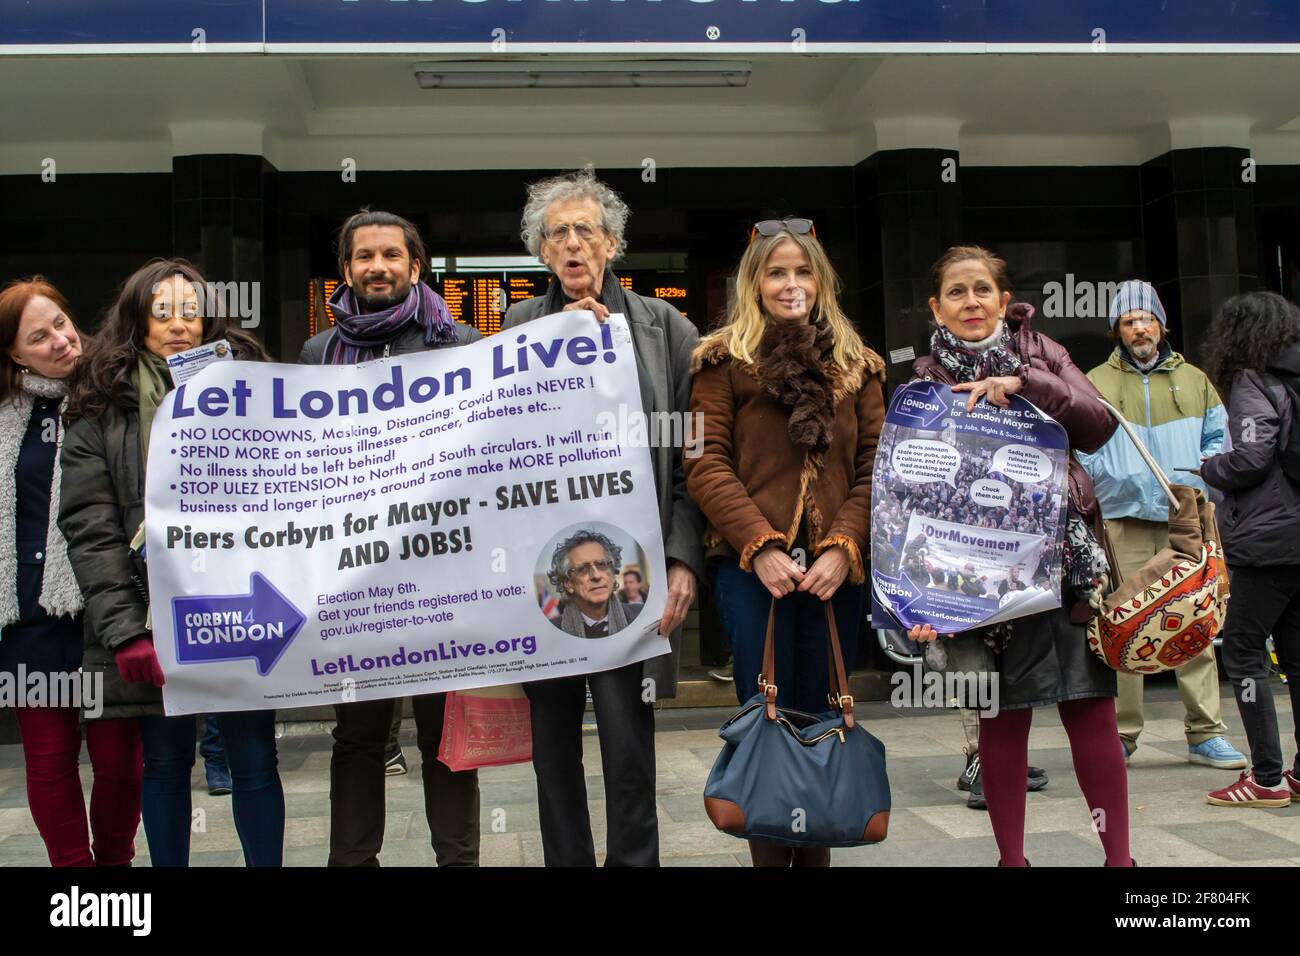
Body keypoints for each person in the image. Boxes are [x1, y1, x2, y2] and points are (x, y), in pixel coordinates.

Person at [503, 168, 704, 867]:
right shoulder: (517, 327)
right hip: (548, 577)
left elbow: (693, 455)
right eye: (555, 233)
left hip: (630, 576)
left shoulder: (663, 326)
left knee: (628, 749)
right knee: (552, 754)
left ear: (612, 242)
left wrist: (681, 559)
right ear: (541, 252)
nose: (571, 243)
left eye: (585, 229)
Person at [908, 246, 1132, 867]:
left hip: (1063, 566)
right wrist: (918, 596)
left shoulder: (1045, 355)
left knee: (1090, 713)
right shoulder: (921, 382)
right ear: (937, 306)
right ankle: (1013, 861)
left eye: (983, 289)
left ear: (1005, 302)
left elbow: (1097, 424)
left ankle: (1120, 863)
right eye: (956, 291)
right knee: (1000, 721)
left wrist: (1024, 384)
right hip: (978, 579)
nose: (971, 301)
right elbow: (908, 499)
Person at [60, 258, 282, 867]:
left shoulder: (256, 386)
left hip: (242, 608)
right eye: (162, 312)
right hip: (151, 616)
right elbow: (90, 528)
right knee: (164, 762)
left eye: (190, 310)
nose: (178, 324)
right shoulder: (98, 406)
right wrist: (126, 630)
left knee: (255, 759)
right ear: (137, 318)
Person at [686, 216, 884, 866]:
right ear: (755, 281)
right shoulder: (719, 362)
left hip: (835, 572)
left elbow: (880, 468)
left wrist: (843, 546)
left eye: (802, 271)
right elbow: (702, 462)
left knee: (824, 717)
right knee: (767, 720)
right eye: (777, 271)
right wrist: (760, 545)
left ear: (820, 280)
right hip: (753, 572)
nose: (790, 282)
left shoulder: (860, 366)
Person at [300, 209, 482, 866]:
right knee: (358, 738)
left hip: (442, 576)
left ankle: (457, 861)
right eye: (364, 256)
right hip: (356, 580)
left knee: (445, 737)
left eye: (391, 255)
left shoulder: (458, 342)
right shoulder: (318, 353)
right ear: (346, 269)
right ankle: (352, 861)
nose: (378, 266)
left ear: (415, 265)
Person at [0, 277, 142, 867]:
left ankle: (115, 865)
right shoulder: (6, 416)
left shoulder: (110, 395)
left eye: (61, 322)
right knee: (50, 761)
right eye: (39, 336)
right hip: (29, 619)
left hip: (104, 612)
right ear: (12, 354)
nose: (61, 340)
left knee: (119, 763)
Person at [1078, 279, 1246, 770]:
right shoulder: (1094, 382)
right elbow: (1080, 450)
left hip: (1187, 516)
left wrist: (1202, 483)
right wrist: (1109, 485)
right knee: (1122, 622)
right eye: (1128, 322)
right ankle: (1122, 736)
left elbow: (1221, 441)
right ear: (1117, 331)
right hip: (1122, 519)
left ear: (1162, 324)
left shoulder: (1195, 380)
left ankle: (1206, 733)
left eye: (1146, 319)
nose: (1139, 328)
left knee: (1194, 617)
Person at [1198, 291, 1300, 807]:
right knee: (1299, 658)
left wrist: (1211, 468)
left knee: (1242, 654)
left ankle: (1264, 778)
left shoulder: (1252, 381)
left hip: (1266, 542)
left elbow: (1253, 456)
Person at [547, 530, 644, 637]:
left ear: (612, 573)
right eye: (582, 569)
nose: (596, 576)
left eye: (601, 564)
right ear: (568, 584)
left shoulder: (641, 615)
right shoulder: (552, 632)